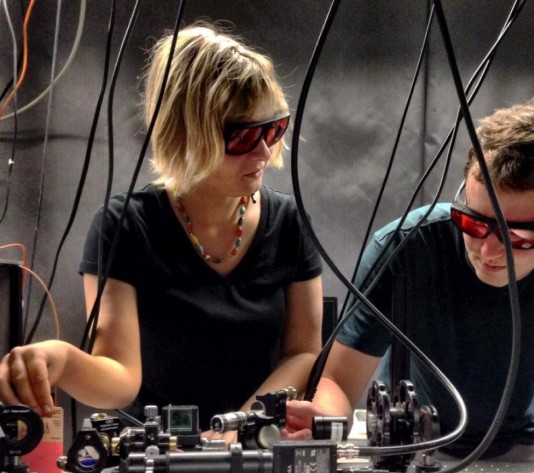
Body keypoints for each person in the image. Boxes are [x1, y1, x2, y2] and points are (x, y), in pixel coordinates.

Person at [0, 23, 323, 434]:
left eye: (274, 128)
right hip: (157, 453)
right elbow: (119, 377)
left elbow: (303, 352)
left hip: (254, 445)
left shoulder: (288, 223)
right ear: (187, 135)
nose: (264, 150)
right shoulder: (125, 226)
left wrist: (234, 430)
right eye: (243, 136)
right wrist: (60, 359)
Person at [287, 97, 534, 460]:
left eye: (518, 237)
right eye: (473, 222)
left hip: (522, 444)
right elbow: (340, 384)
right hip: (407, 436)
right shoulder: (405, 249)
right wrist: (325, 420)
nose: (488, 251)